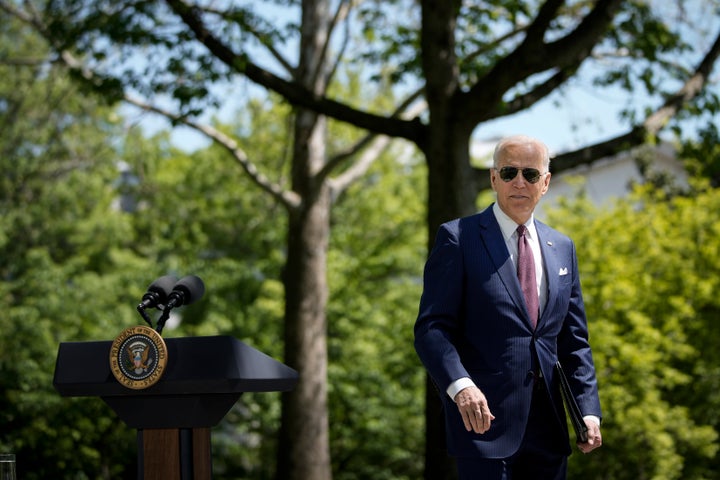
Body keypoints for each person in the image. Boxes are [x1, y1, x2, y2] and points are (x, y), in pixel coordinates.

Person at [414, 135, 602, 479]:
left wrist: (588, 410)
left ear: (544, 183)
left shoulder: (562, 247)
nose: (519, 182)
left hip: (549, 431)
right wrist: (461, 386)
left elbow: (574, 342)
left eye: (530, 174)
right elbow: (431, 329)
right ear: (493, 178)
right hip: (484, 425)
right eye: (509, 171)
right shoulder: (458, 238)